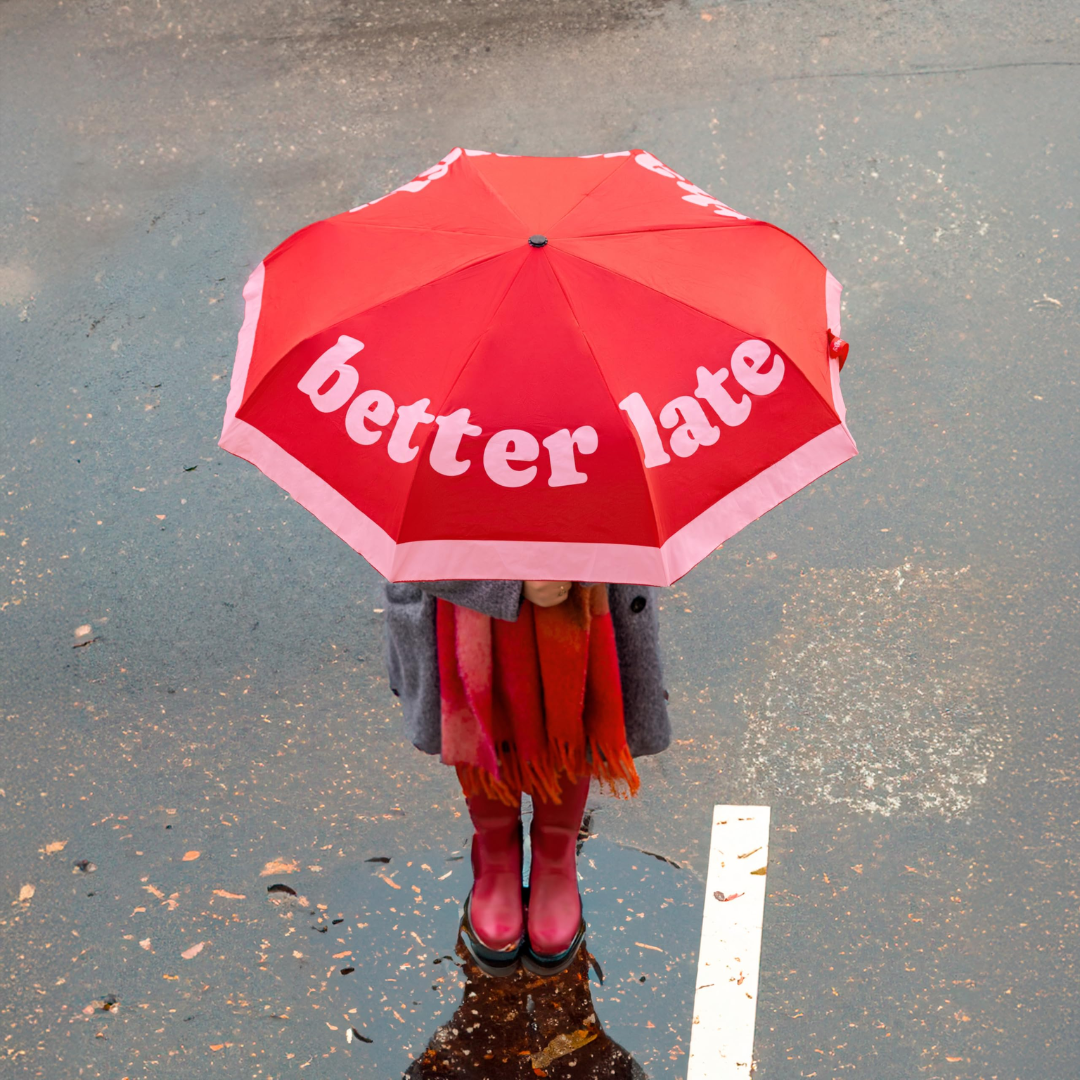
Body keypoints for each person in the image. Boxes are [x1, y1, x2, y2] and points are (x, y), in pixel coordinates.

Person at [383, 579, 669, 977]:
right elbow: (420, 547)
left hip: (578, 583)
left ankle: (556, 856)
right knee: (481, 689)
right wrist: (504, 587)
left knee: (574, 700)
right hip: (469, 584)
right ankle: (496, 853)